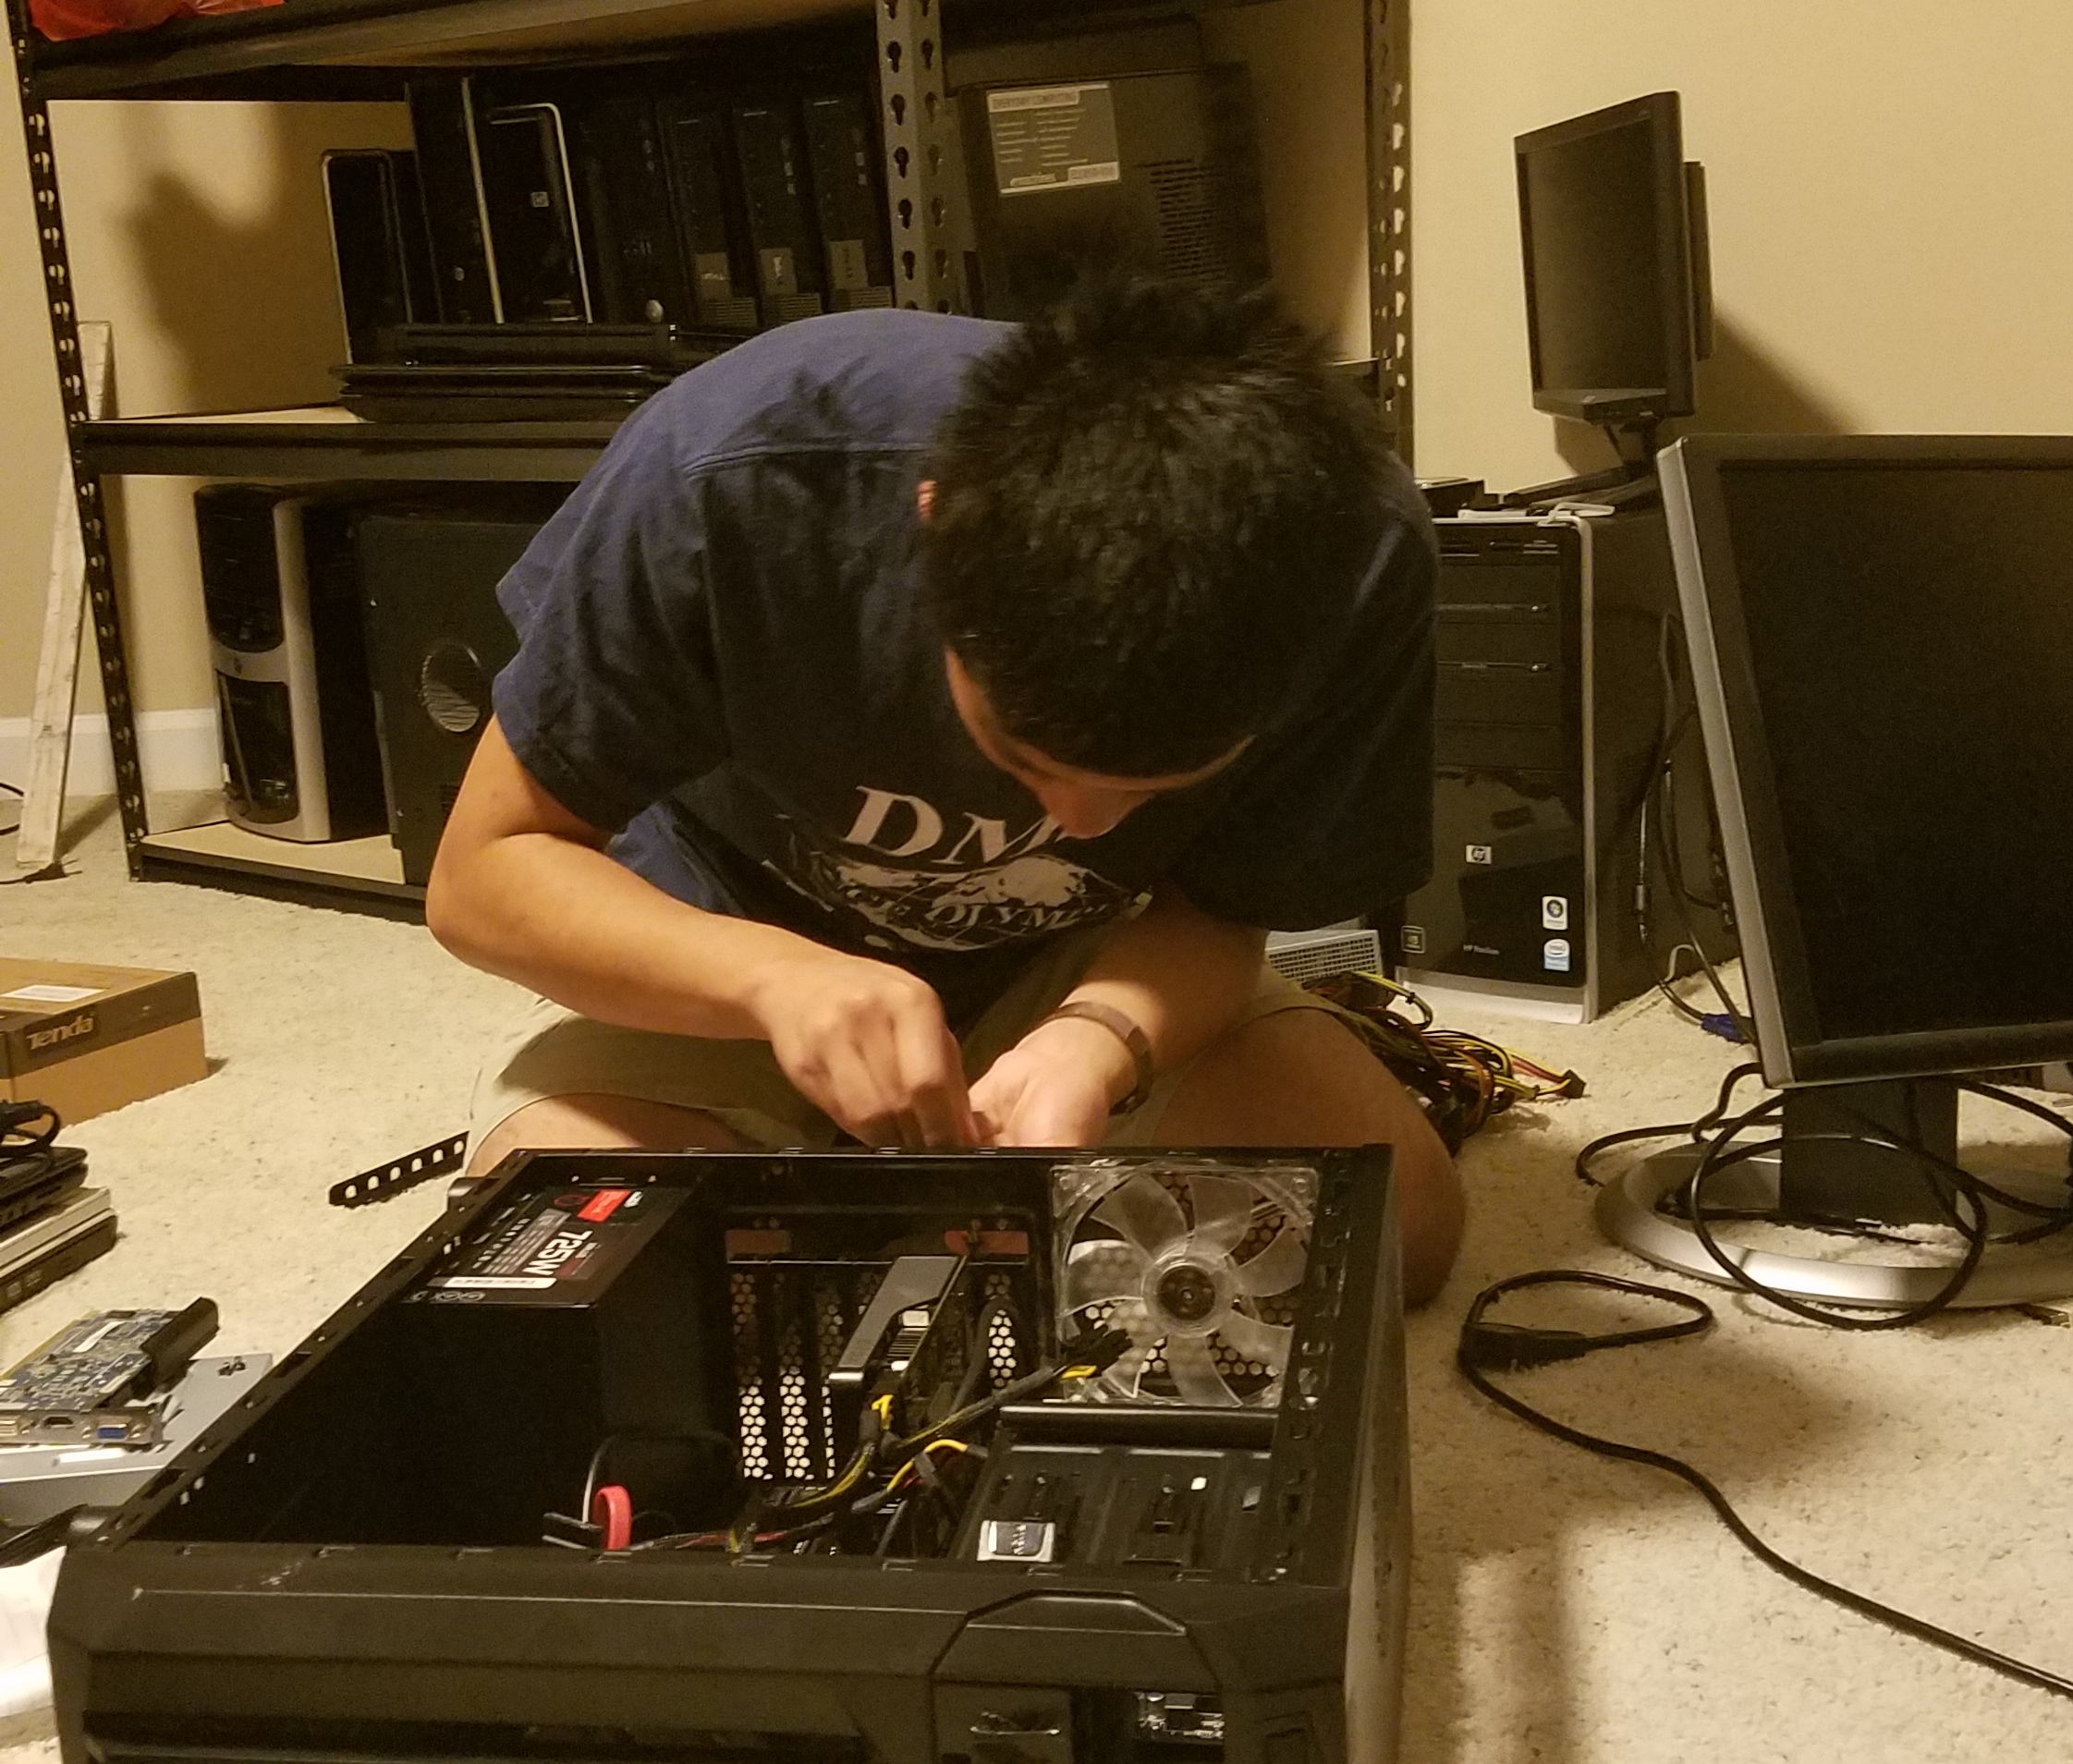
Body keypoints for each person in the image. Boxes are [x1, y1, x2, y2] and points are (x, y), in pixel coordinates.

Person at [427, 276, 1464, 1304]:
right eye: (1025, 759)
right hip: (718, 939)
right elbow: (485, 873)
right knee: (562, 1280)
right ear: (931, 529)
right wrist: (778, 983)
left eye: (1156, 790)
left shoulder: (1355, 556)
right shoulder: (730, 468)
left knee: (1395, 1234)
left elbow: (1223, 912)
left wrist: (1096, 1040)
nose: (1080, 826)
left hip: (1080, 958)